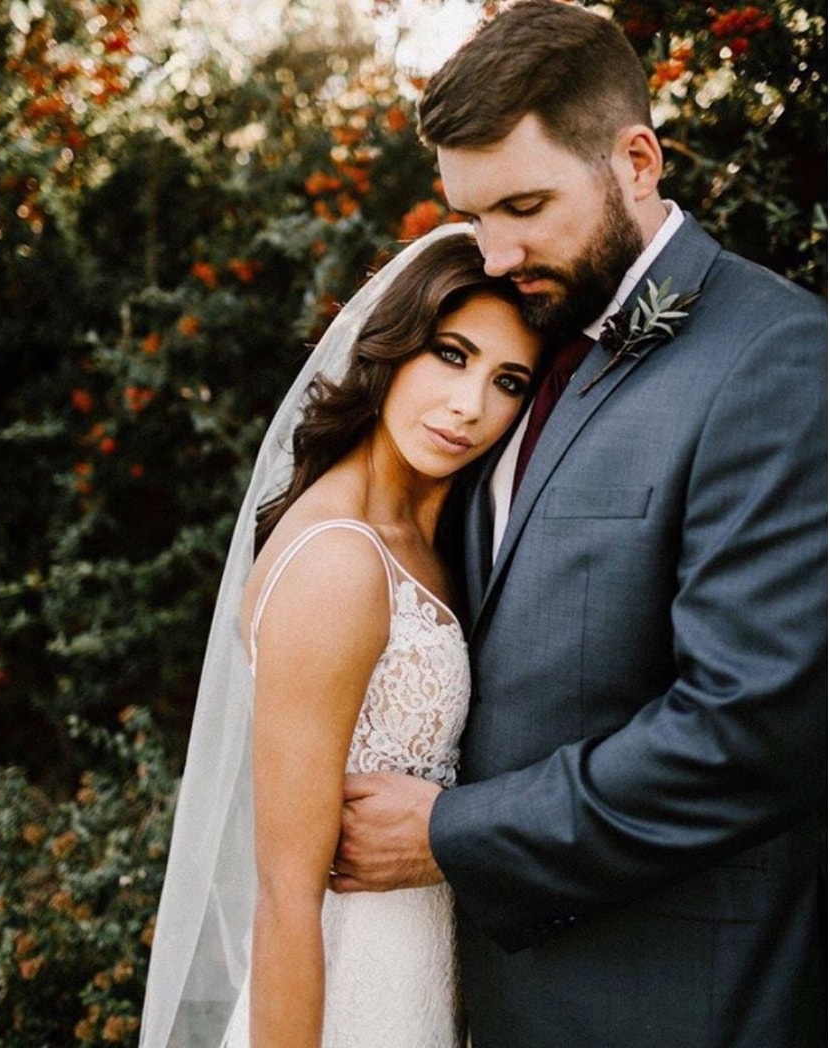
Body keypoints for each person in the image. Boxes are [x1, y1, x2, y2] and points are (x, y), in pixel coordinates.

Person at [331, 3, 828, 1047]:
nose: (496, 251)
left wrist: (447, 835)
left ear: (635, 160)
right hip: (479, 989)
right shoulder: (508, 349)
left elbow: (748, 734)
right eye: (472, 215)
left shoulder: (777, 361)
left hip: (669, 998)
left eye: (524, 204)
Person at [138, 224, 542, 1048]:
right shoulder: (338, 560)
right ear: (390, 348)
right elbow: (286, 892)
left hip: (434, 978)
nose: (471, 407)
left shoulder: (439, 538)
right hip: (352, 997)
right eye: (451, 354)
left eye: (507, 381)